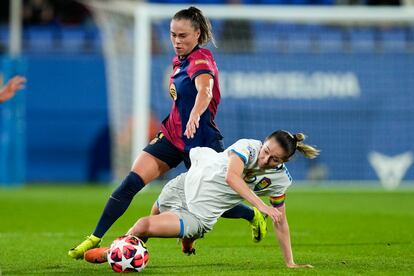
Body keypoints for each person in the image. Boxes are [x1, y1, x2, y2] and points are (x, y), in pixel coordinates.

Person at [68, 6, 263, 259]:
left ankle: (252, 214)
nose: (177, 41)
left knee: (207, 201)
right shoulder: (178, 61)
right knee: (130, 183)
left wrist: (195, 114)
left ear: (198, 34)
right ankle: (93, 239)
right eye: (173, 35)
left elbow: (204, 90)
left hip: (201, 143)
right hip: (171, 136)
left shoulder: (201, 61)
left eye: (183, 36)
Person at [85, 130, 319, 269]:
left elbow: (282, 221)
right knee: (154, 212)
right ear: (263, 142)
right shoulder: (248, 147)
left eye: (274, 159)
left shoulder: (279, 181)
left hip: (198, 215)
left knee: (143, 225)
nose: (265, 159)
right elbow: (232, 177)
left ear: (284, 162)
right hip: (182, 185)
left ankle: (112, 253)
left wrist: (290, 262)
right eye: (266, 150)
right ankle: (186, 239)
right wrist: (260, 206)